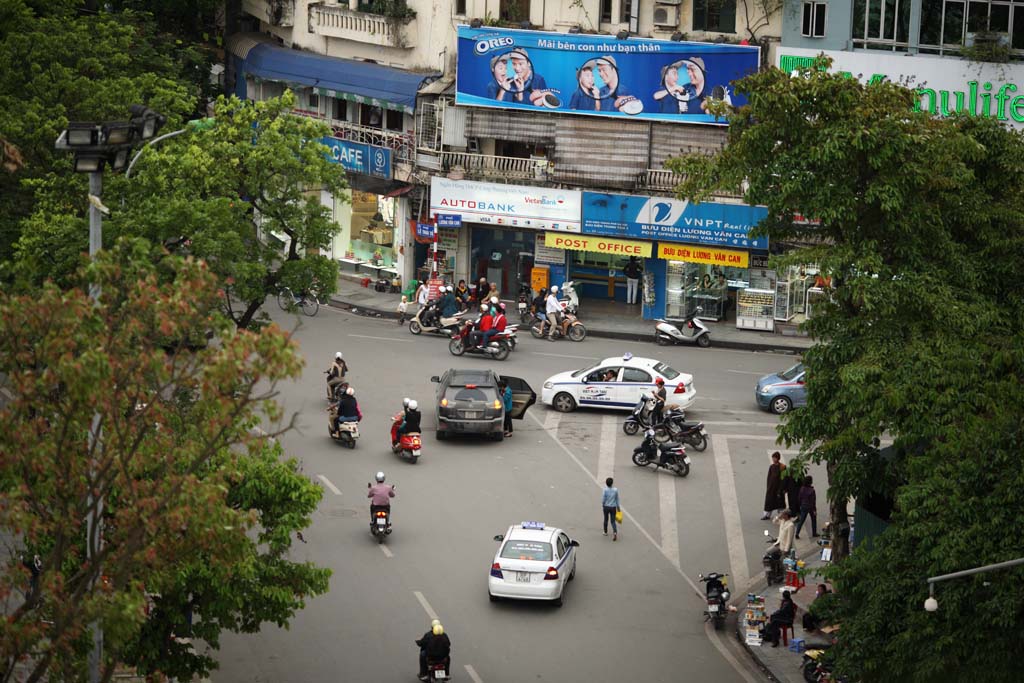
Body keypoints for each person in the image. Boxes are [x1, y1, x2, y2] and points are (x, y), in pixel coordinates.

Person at [762, 451, 786, 520]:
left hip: (779, 488)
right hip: (771, 488)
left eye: (774, 458)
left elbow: (783, 479)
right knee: (769, 502)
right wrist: (768, 487)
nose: (773, 459)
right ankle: (767, 515)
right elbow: (769, 477)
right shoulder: (771, 467)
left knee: (780, 503)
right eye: (773, 458)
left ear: (777, 458)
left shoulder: (782, 467)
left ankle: (781, 516)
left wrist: (781, 489)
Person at [602, 477, 620, 541]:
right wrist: (618, 508)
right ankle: (615, 532)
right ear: (612, 483)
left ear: (606, 484)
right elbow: (617, 499)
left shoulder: (605, 490)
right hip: (613, 507)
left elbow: (603, 499)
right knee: (613, 521)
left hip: (606, 507)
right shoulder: (615, 490)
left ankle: (605, 532)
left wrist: (603, 504)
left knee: (606, 519)